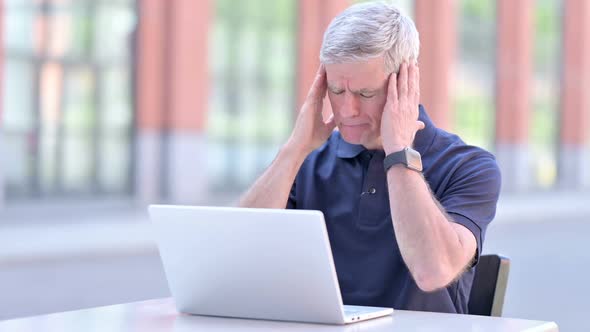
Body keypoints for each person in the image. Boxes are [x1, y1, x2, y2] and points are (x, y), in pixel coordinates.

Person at [239, 2, 501, 314]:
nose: (347, 110)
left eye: (365, 94)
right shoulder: (306, 163)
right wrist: (294, 150)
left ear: (406, 82)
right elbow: (238, 256)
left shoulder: (468, 167)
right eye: (336, 90)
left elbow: (433, 271)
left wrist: (399, 152)